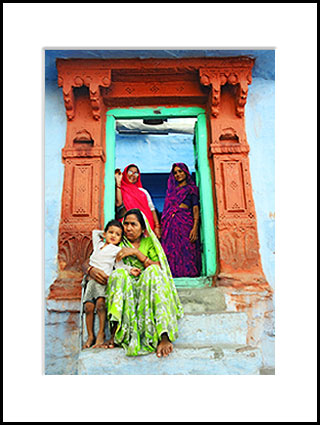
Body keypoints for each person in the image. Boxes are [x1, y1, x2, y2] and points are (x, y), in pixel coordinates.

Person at [86, 208, 184, 357]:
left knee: (153, 272)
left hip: (148, 285)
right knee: (118, 275)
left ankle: (163, 336)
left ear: (143, 228)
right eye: (126, 224)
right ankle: (116, 333)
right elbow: (93, 258)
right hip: (127, 284)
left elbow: (160, 267)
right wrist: (90, 269)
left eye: (133, 224)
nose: (128, 228)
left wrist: (136, 253)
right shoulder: (117, 241)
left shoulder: (149, 242)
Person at [82, 219, 141, 349]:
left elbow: (120, 265)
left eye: (118, 234)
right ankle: (90, 335)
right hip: (91, 281)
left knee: (100, 305)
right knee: (88, 307)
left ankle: (101, 334)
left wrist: (130, 270)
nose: (113, 236)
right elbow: (95, 233)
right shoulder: (97, 245)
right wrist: (104, 235)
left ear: (121, 238)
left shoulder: (116, 250)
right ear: (105, 234)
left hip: (103, 281)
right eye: (111, 232)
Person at [161, 163, 201, 278]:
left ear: (186, 172)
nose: (178, 174)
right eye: (175, 172)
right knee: (172, 251)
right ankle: (173, 276)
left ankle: (189, 275)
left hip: (185, 223)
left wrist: (195, 227)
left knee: (187, 249)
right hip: (171, 225)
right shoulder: (171, 192)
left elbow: (195, 208)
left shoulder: (191, 189)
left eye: (180, 171)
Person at [115, 164, 161, 238]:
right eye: (130, 172)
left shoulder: (143, 191)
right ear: (125, 173)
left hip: (145, 227)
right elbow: (119, 204)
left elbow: (152, 209)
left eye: (136, 173)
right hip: (128, 227)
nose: (133, 175)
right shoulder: (120, 190)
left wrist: (157, 227)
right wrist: (118, 182)